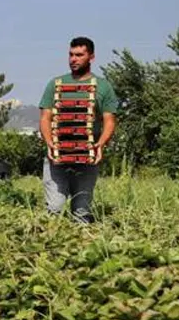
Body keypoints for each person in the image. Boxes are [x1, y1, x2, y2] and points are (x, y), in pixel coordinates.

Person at [38, 36, 118, 223]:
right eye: (71, 55)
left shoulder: (103, 87)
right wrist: (50, 142)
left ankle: (82, 248)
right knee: (54, 209)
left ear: (91, 57)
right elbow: (45, 118)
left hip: (87, 159)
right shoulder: (55, 84)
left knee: (82, 212)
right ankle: (51, 247)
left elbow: (110, 120)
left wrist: (101, 144)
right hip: (56, 157)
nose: (74, 59)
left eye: (79, 55)